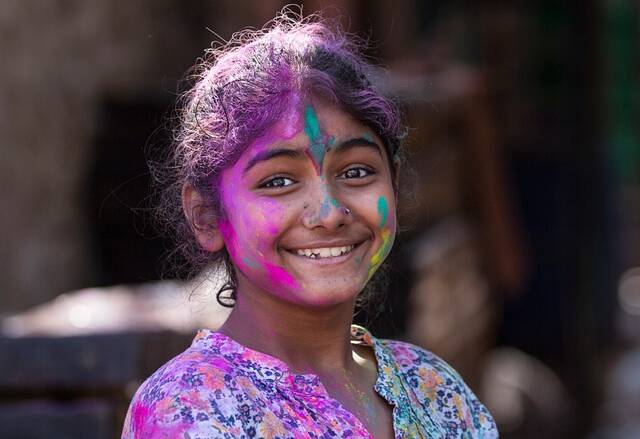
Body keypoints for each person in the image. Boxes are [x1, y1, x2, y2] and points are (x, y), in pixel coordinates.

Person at [121, 10, 498, 439]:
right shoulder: (191, 408)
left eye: (356, 172)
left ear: (393, 181)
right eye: (279, 181)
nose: (329, 212)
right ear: (207, 216)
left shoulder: (435, 390)